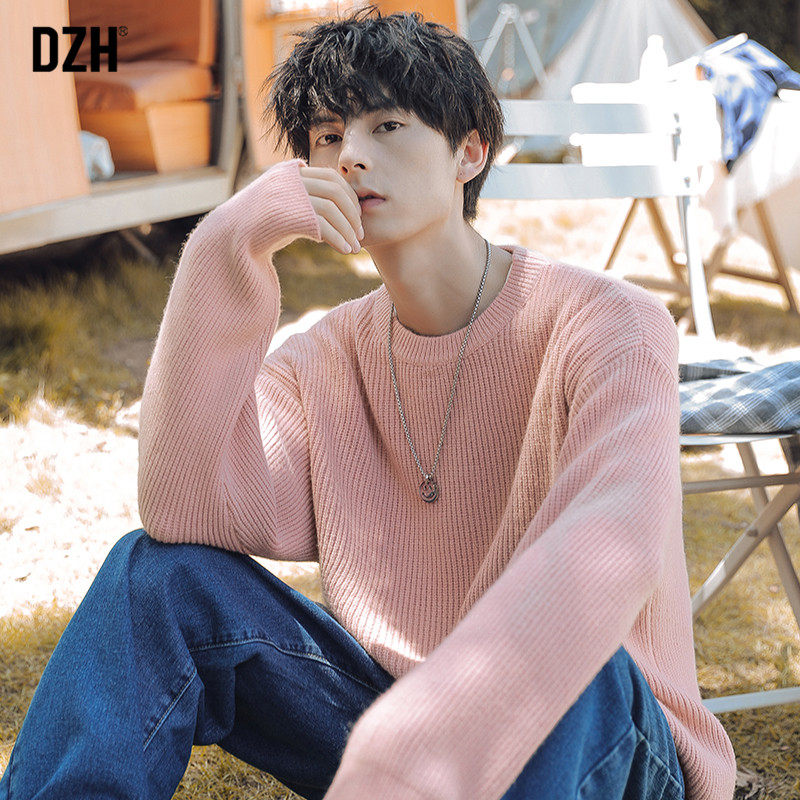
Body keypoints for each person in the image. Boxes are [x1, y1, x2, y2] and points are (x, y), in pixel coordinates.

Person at [0, 7, 737, 800]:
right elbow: (182, 508)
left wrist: (410, 755)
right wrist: (225, 243)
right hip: (398, 726)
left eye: (387, 125)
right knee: (151, 575)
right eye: (326, 136)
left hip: (606, 732)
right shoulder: (324, 357)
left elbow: (605, 554)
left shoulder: (610, 324)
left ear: (469, 152)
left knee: (579, 663)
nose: (351, 155)